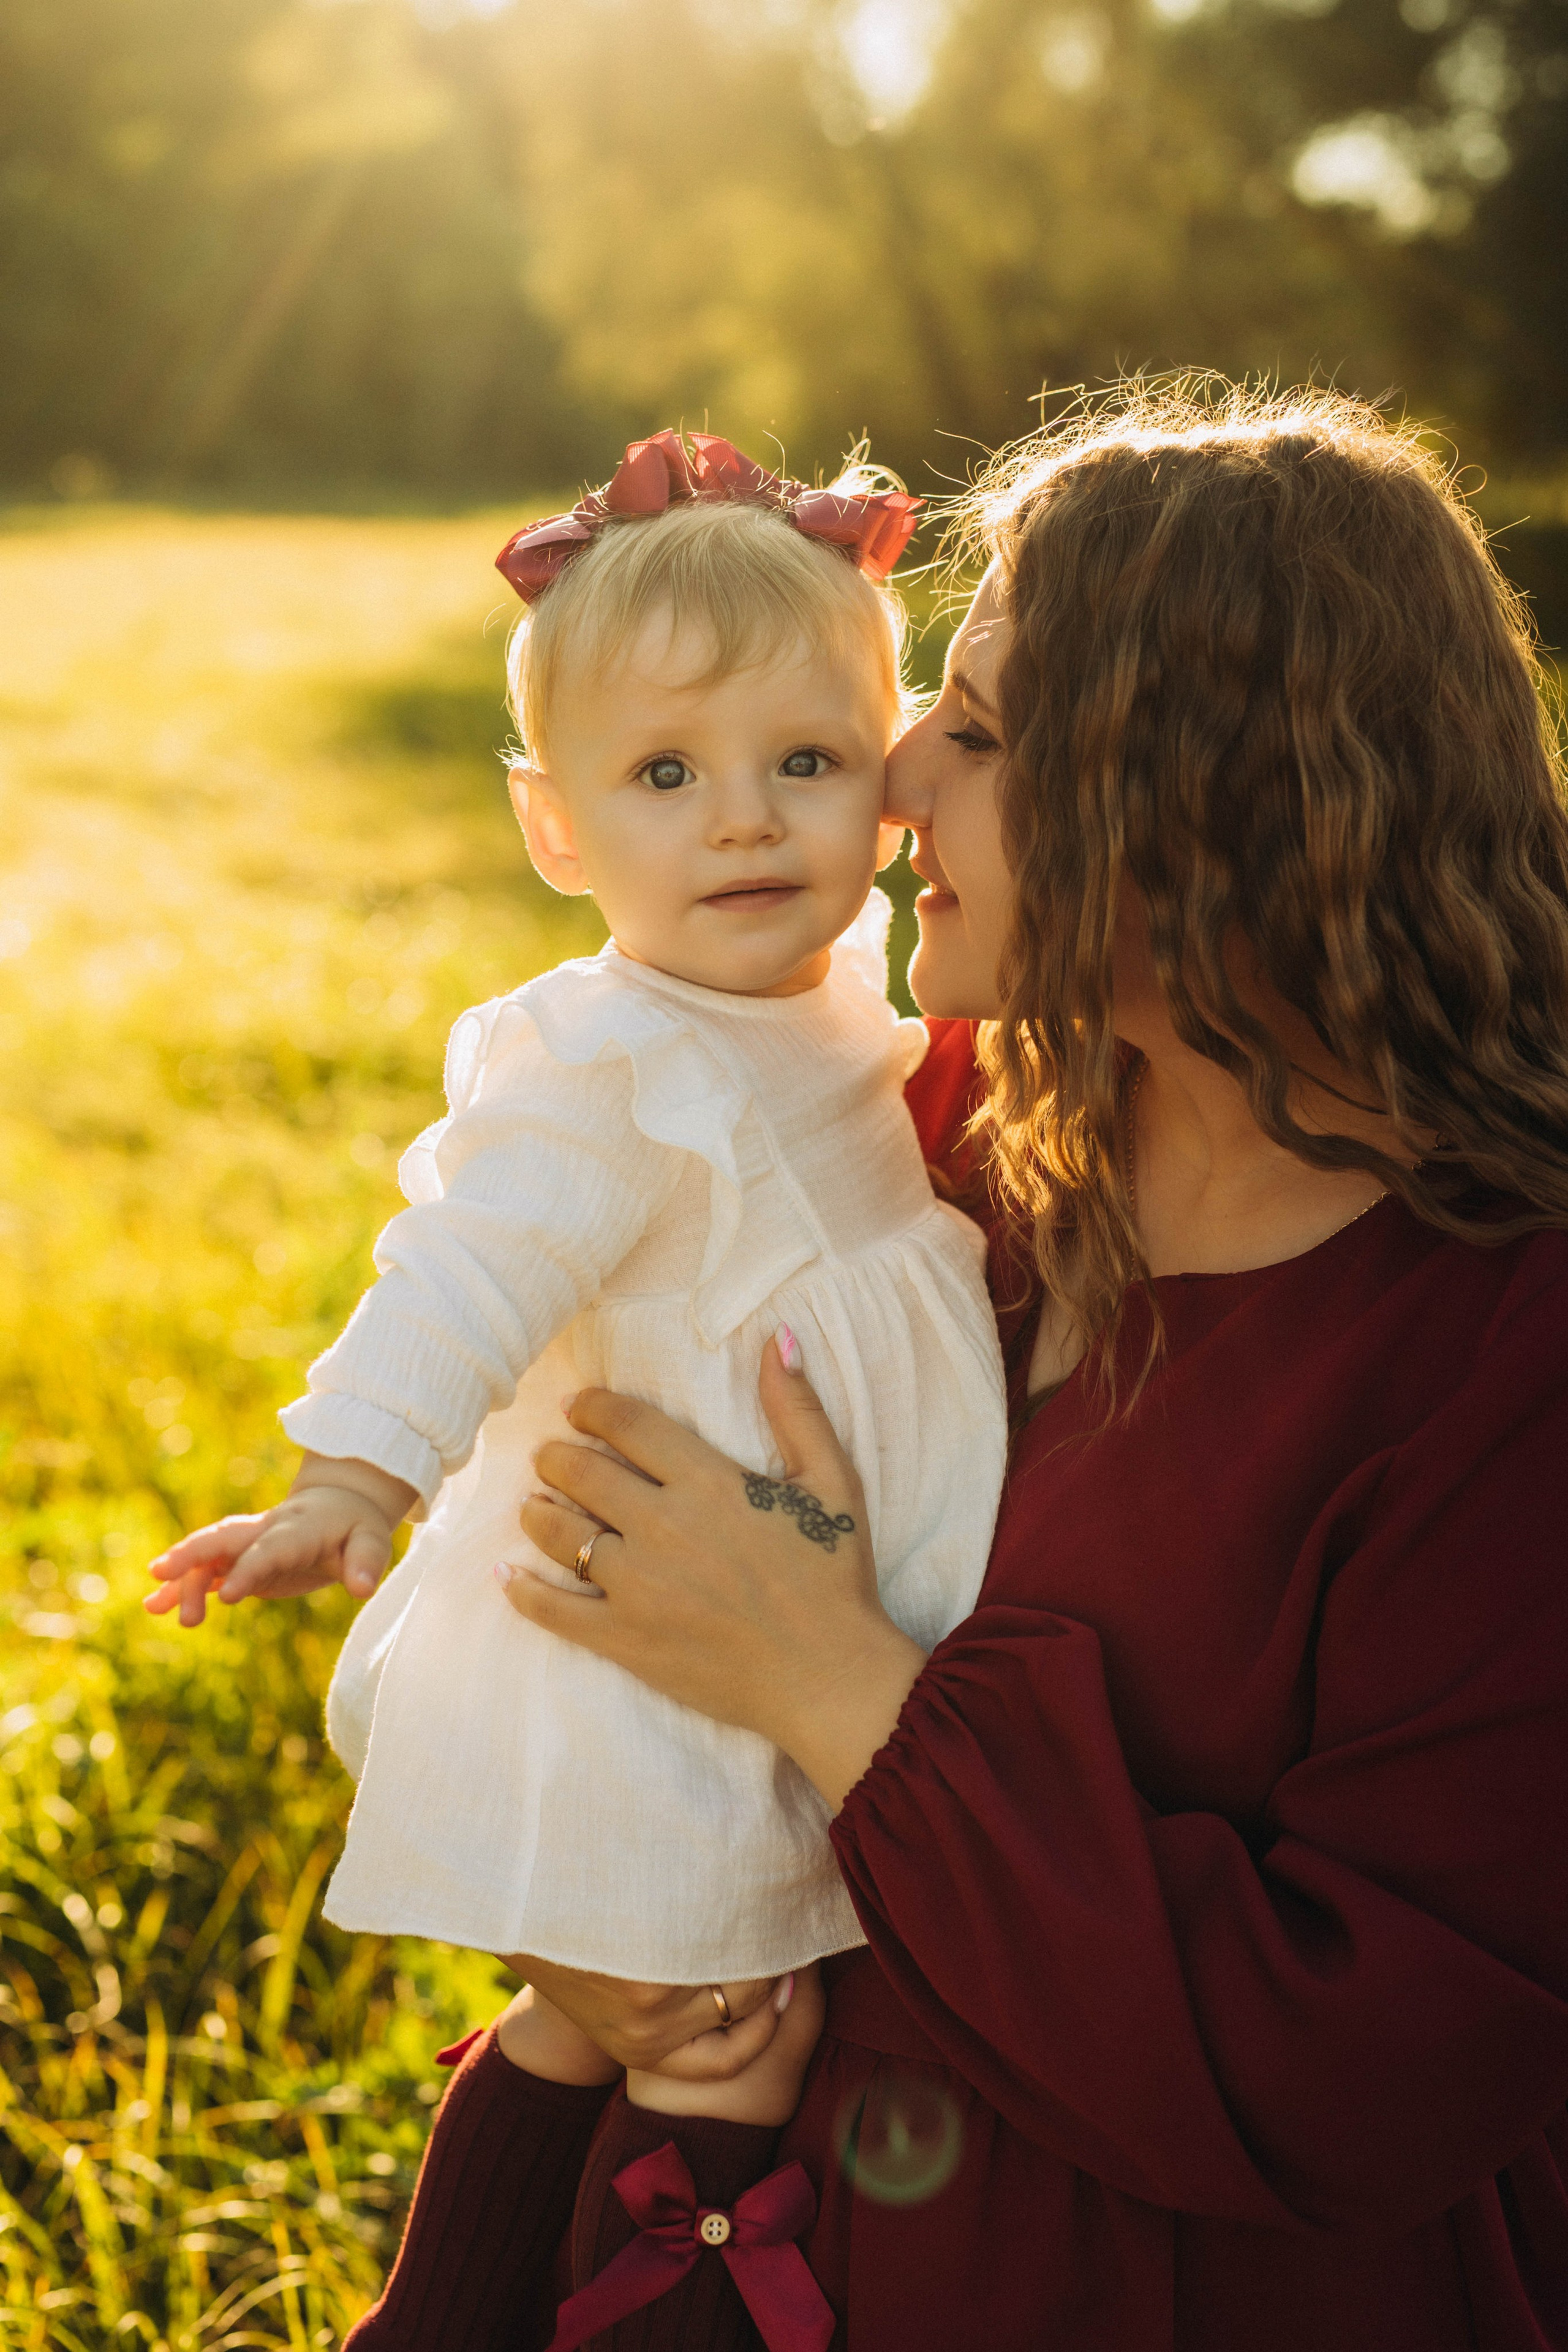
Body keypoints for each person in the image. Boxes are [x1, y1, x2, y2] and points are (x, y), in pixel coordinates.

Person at [386, 384, 1568, 2351]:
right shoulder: (910, 1133)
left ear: (1215, 808)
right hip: (746, 2221)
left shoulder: (1501, 1344)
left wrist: (829, 1676)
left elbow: (1376, 2065)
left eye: (990, 729)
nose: (902, 763)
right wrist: (590, 1947)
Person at [141, 429, 1009, 2303]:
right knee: (729, 2035)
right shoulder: (615, 1066)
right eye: (665, 775)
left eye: (803, 763)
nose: (743, 823)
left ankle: (454, 2311)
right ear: (556, 831)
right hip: (663, 1653)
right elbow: (467, 1267)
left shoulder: (845, 987)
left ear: (891, 787)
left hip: (781, 1602)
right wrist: (354, 1473)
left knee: (606, 2018)